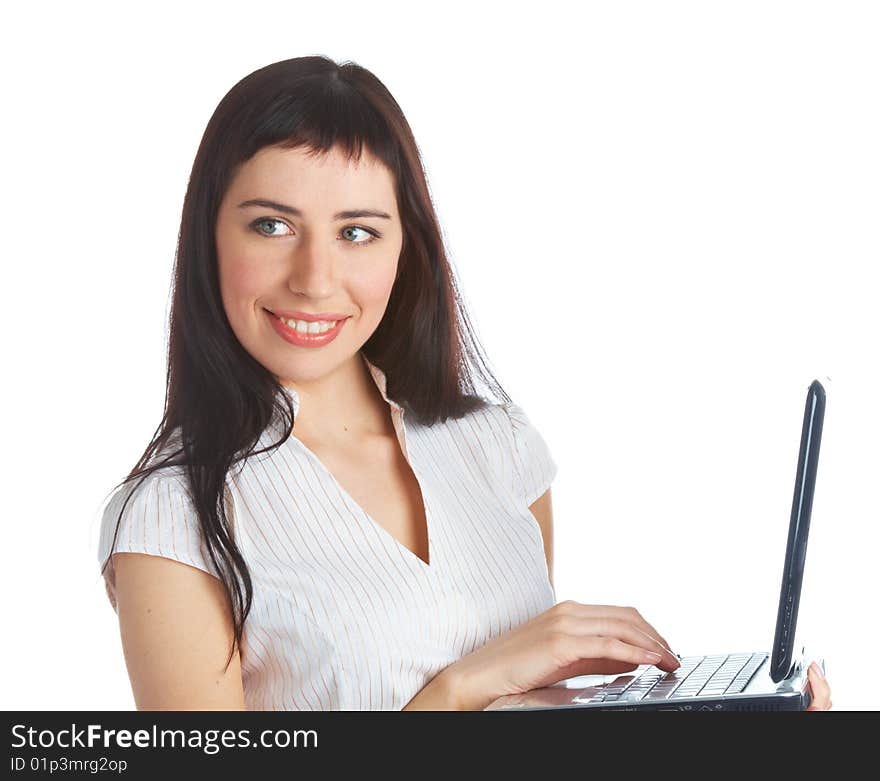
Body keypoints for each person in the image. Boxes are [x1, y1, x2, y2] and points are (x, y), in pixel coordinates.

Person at [96, 55, 832, 712]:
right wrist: (458, 689)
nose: (315, 279)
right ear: (209, 236)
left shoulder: (496, 445)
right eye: (272, 225)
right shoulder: (172, 518)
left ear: (404, 249)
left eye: (357, 231)